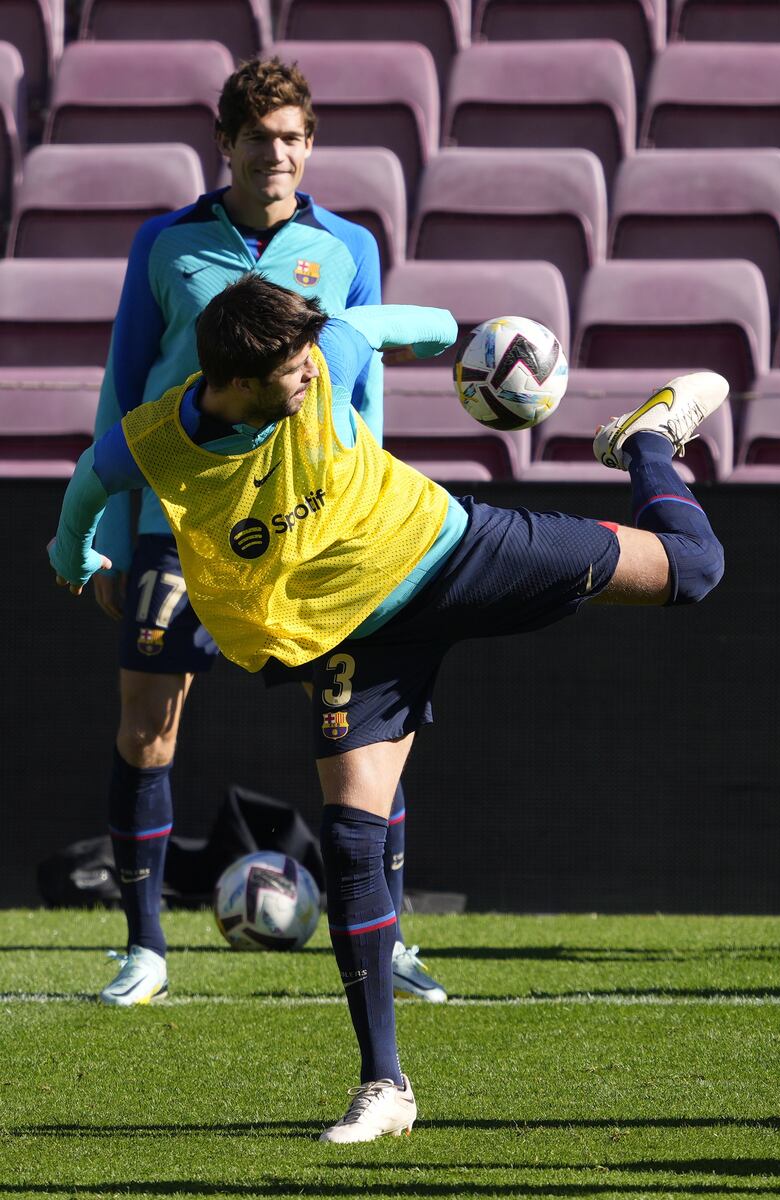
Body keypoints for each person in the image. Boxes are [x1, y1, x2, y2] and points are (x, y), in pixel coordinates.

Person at [49, 275, 725, 1143]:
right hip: (353, 639)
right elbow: (83, 487)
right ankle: (386, 1085)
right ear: (242, 382)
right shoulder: (154, 443)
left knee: (694, 572)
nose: (310, 378)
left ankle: (648, 445)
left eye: (307, 360)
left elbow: (378, 325)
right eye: (292, 370)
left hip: (452, 552)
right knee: (349, 837)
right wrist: (77, 561)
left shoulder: (319, 356)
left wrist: (461, 333)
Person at [90, 56, 446, 1007]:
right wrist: (107, 537)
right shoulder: (165, 245)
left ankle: (392, 937)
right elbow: (123, 391)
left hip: (312, 528)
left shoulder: (349, 246)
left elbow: (363, 395)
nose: (275, 155)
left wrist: (369, 518)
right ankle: (146, 948)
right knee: (148, 725)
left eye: (292, 138)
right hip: (184, 520)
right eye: (258, 139)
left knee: (364, 734)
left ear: (310, 144)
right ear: (227, 145)